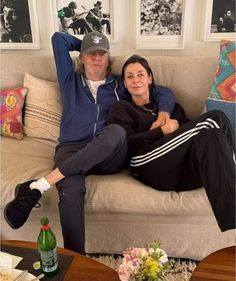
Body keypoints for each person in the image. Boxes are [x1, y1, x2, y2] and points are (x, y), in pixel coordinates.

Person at [4, 32, 175, 254]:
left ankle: (40, 185)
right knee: (70, 190)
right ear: (81, 57)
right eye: (90, 53)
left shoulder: (120, 84)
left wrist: (164, 110)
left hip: (109, 153)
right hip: (72, 149)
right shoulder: (69, 81)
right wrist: (86, 44)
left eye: (102, 52)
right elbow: (58, 39)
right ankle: (76, 261)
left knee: (116, 131)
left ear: (108, 58)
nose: (96, 57)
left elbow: (161, 91)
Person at [108, 55, 236, 233]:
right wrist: (160, 132)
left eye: (140, 74)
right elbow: (124, 144)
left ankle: (232, 234)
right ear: (125, 83)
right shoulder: (121, 109)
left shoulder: (170, 107)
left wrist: (174, 127)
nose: (136, 80)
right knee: (215, 118)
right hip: (146, 163)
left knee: (211, 134)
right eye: (129, 76)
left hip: (180, 170)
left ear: (150, 78)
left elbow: (189, 135)